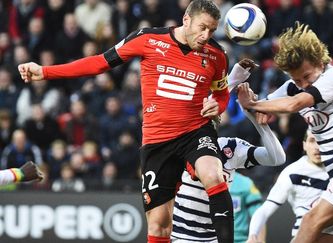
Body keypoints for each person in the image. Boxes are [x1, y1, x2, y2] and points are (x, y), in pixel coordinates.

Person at [18, 1, 234, 242]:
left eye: (212, 30)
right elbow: (99, 63)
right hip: (158, 140)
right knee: (159, 225)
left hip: (196, 130)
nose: (206, 36)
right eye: (202, 27)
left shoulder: (217, 55)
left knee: (213, 175)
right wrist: (45, 71)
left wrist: (219, 104)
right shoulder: (148, 39)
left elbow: (222, 93)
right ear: (186, 19)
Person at [237, 22, 333, 243]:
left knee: (309, 222)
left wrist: (257, 106)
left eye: (307, 77)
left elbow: (293, 105)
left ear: (320, 62)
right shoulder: (291, 87)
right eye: (297, 80)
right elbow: (260, 108)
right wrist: (244, 94)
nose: (303, 84)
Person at [171, 107, 285, 242]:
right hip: (181, 236)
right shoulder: (178, 145)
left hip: (216, 237)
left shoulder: (230, 147)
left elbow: (277, 158)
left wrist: (258, 123)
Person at [247, 130, 328, 242]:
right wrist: (253, 235)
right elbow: (264, 210)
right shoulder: (292, 172)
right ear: (304, 145)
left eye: (322, 142)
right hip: (304, 237)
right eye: (312, 141)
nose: (317, 147)